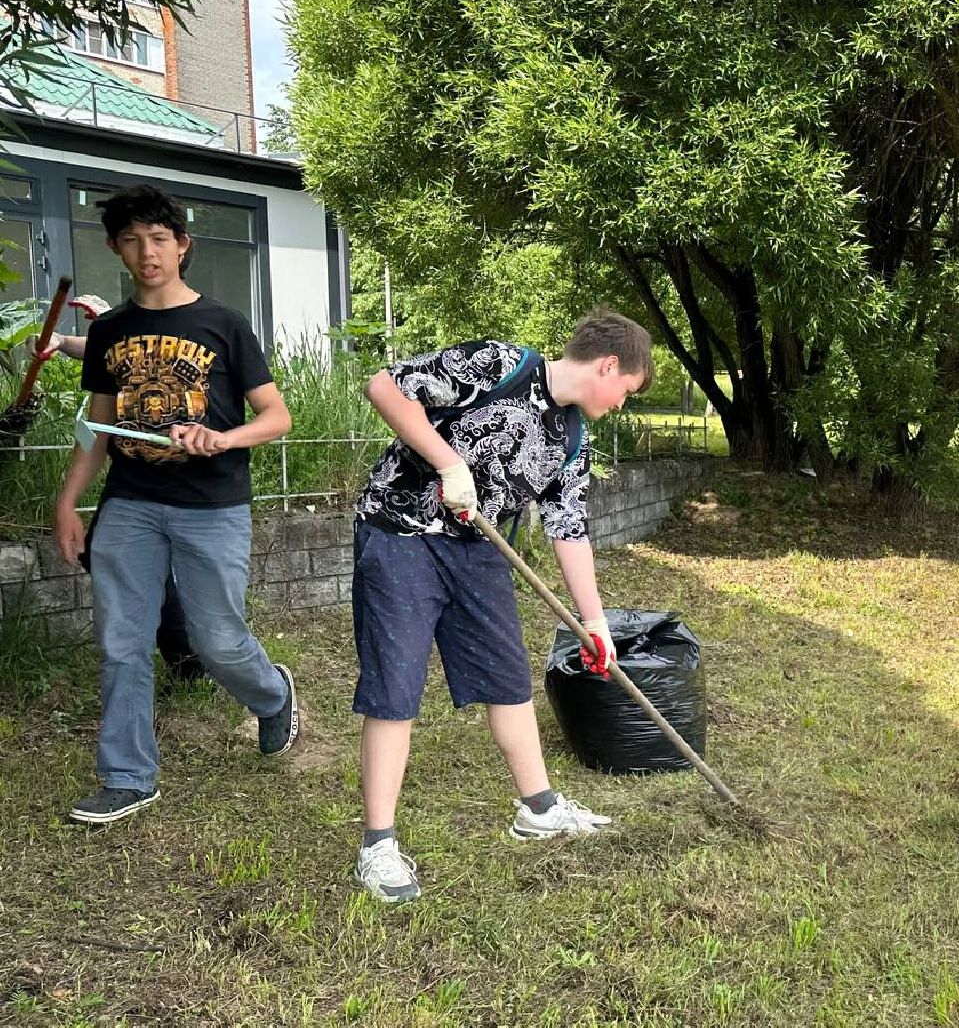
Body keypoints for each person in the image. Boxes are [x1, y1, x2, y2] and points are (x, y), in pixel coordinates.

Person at [351, 312, 652, 904]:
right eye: (627, 391)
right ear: (608, 366)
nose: (622, 404)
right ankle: (378, 845)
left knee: (507, 676)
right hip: (399, 534)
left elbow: (570, 528)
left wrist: (594, 621)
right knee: (397, 683)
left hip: (480, 549)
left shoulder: (570, 439)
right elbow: (385, 386)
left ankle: (537, 807)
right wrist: (448, 461)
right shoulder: (500, 364)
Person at [52, 184, 299, 825]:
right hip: (130, 503)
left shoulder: (222, 323)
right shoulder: (109, 332)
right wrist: (69, 503)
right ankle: (128, 776)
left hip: (211, 505)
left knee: (216, 641)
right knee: (121, 642)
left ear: (181, 245)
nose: (147, 252)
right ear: (116, 248)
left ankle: (272, 695)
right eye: (132, 240)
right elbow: (100, 428)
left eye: (159, 238)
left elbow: (277, 417)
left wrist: (222, 437)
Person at [30, 295, 203, 685]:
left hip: (175, 471)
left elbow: (134, 347)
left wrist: (106, 321)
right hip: (131, 475)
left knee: (145, 567)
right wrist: (59, 340)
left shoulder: (193, 328)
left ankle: (189, 659)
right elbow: (104, 351)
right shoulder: (119, 336)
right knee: (112, 556)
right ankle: (184, 658)